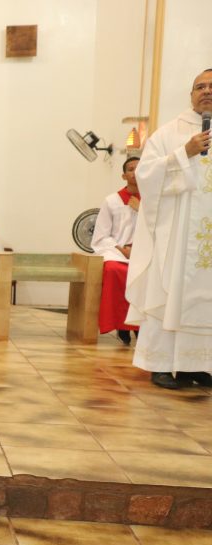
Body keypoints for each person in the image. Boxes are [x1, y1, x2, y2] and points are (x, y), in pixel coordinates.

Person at [126, 68, 212, 390]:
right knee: (168, 291)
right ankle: (160, 364)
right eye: (200, 86)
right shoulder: (169, 133)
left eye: (211, 86)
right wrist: (183, 153)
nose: (206, 91)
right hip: (176, 234)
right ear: (191, 95)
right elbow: (145, 175)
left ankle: (196, 365)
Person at [91, 157, 141, 345]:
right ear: (123, 176)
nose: (135, 172)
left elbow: (161, 228)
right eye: (131, 169)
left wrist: (142, 210)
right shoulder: (112, 201)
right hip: (117, 251)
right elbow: (101, 235)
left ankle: (140, 325)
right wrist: (122, 250)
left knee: (145, 276)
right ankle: (122, 325)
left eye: (140, 168)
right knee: (115, 270)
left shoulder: (154, 199)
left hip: (144, 252)